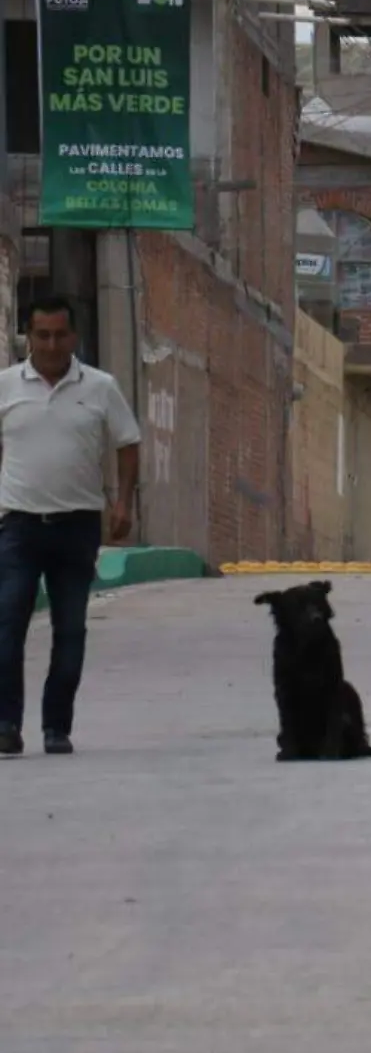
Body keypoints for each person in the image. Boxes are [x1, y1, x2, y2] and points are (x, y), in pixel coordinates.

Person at [0, 296, 141, 756]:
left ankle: (56, 727)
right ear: (28, 338)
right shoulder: (5, 387)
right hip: (17, 526)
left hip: (77, 527)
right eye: (42, 335)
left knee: (71, 630)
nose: (52, 344)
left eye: (61, 335)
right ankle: (6, 725)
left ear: (74, 337)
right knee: (7, 627)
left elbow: (128, 441)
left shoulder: (100, 388)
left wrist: (122, 503)